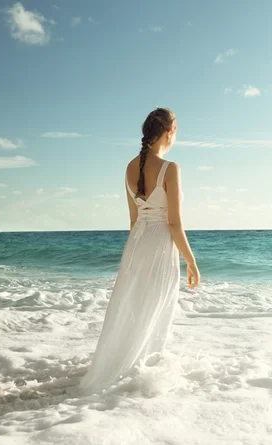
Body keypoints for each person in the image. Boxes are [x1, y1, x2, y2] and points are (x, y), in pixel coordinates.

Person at [79, 107, 200, 393]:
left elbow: (134, 220)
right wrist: (192, 263)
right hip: (159, 243)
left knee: (133, 305)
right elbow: (174, 223)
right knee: (156, 306)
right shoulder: (171, 168)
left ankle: (123, 363)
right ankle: (144, 369)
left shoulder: (129, 167)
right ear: (169, 132)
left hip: (137, 243)